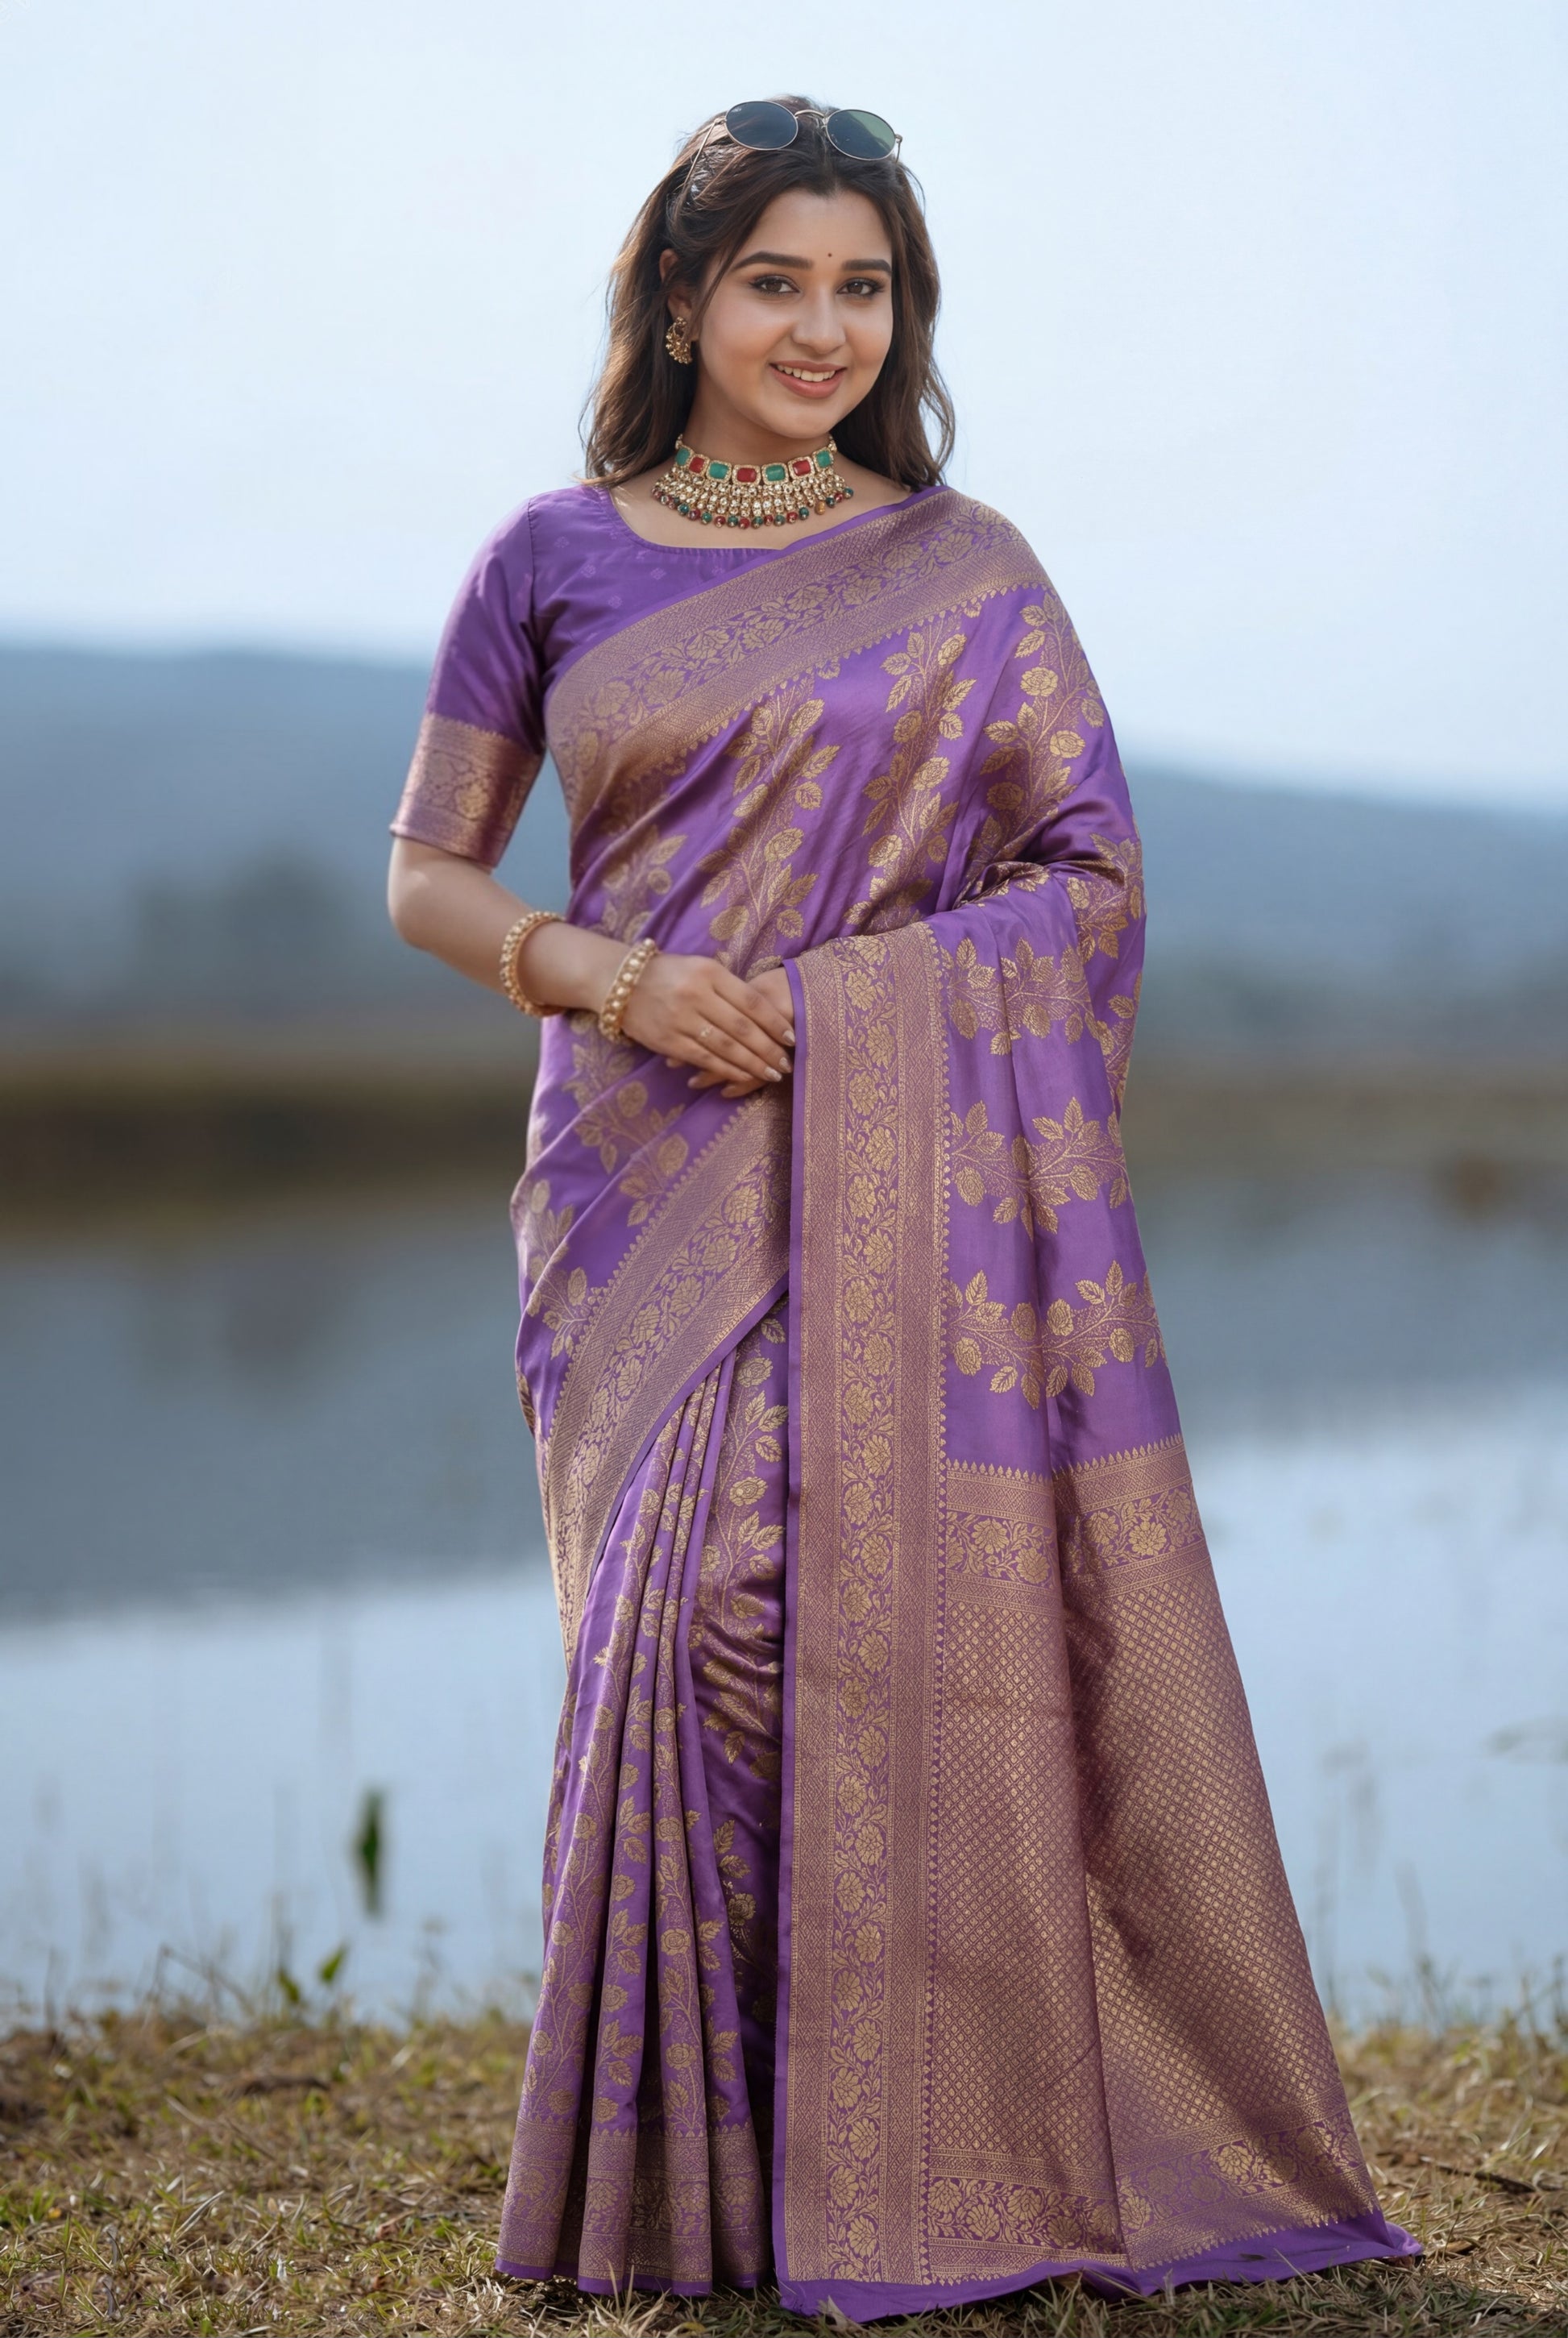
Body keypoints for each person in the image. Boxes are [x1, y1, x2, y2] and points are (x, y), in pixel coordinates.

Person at [386, 97, 1416, 2319]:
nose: (821, 328)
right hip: (631, 1169)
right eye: (775, 280)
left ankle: (890, 2148)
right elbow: (426, 876)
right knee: (666, 1637)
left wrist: (852, 1010)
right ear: (682, 298)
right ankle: (695, 2192)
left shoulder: (967, 573)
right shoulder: (547, 560)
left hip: (880, 1161)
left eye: (862, 288)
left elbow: (1088, 877)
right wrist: (616, 978)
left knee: (799, 1624)